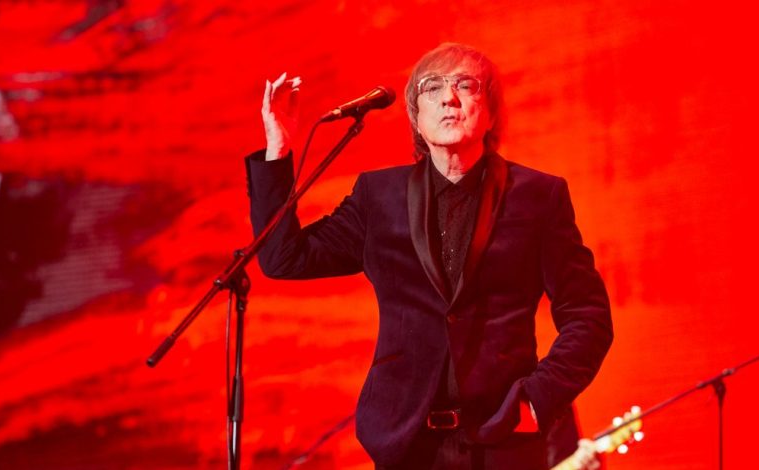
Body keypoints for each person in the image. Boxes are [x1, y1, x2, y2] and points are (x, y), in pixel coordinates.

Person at [246, 43, 612, 469]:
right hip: (407, 445)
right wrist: (278, 149)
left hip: (504, 443)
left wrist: (536, 399)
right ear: (416, 118)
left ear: (491, 113)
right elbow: (284, 258)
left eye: (465, 85)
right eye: (432, 87)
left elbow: (588, 316)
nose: (448, 97)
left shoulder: (537, 196)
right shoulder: (379, 197)